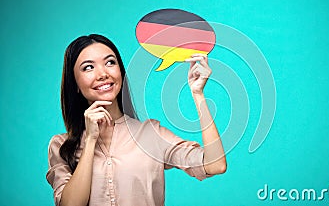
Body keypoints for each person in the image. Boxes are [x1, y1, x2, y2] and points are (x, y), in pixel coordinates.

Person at [46, 34, 227, 206]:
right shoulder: (61, 146)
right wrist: (91, 140)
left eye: (110, 62)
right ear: (75, 84)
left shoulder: (151, 135)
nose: (102, 74)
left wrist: (198, 93)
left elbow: (215, 165)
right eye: (88, 67)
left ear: (121, 73)